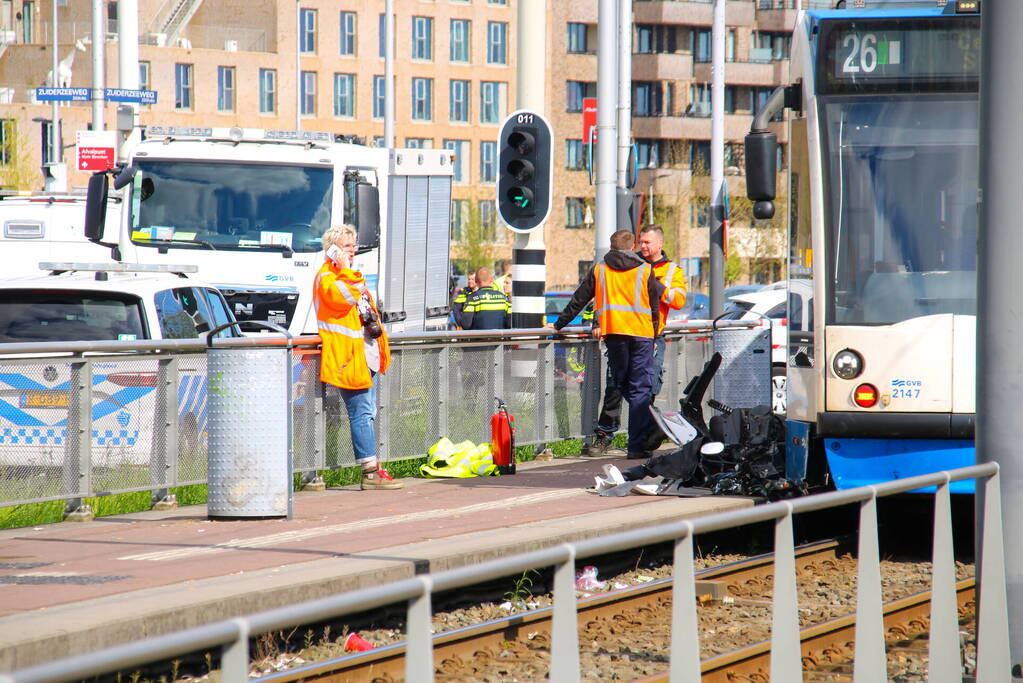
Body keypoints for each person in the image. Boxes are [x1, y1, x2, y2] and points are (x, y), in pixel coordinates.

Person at [546, 230, 665, 459]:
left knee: (623, 384)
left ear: (611, 246)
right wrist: (654, 333)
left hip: (614, 335)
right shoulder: (644, 269)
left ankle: (649, 430)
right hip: (641, 335)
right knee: (639, 389)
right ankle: (641, 441)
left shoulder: (600, 270)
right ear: (631, 247)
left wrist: (558, 324)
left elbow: (579, 299)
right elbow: (653, 305)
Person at [585, 225, 688, 456]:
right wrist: (597, 323)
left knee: (647, 389)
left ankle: (641, 438)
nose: (643, 246)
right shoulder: (626, 263)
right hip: (622, 333)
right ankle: (606, 435)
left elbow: (678, 300)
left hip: (651, 336)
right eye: (640, 242)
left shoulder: (671, 270)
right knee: (615, 386)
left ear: (659, 244)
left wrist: (652, 282)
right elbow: (604, 295)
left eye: (647, 243)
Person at [315, 225, 403, 490]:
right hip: (347, 357)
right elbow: (344, 298)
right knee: (362, 413)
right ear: (332, 250)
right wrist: (343, 268)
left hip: (364, 355)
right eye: (346, 247)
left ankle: (372, 468)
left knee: (368, 411)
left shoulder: (348, 276)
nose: (352, 251)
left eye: (353, 246)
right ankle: (369, 472)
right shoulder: (327, 278)